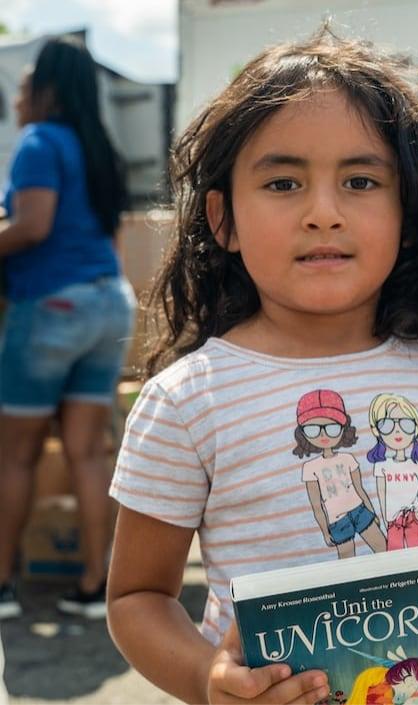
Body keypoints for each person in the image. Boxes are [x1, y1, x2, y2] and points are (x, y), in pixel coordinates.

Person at [106, 26, 418, 705]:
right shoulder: (186, 401)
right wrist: (208, 678)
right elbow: (137, 595)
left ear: (408, 210)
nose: (323, 214)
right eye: (283, 182)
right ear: (222, 219)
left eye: (361, 180)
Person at [0, 37, 134, 620]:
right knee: (86, 452)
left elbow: (31, 226)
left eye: (26, 82)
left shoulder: (38, 143)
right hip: (110, 304)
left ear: (45, 90)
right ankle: (94, 585)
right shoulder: (100, 148)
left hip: (52, 307)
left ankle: (2, 585)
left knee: (15, 457)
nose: (18, 93)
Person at [295, 388, 386, 558]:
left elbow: (360, 489)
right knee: (347, 565)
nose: (323, 434)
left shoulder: (347, 458)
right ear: (302, 433)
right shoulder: (310, 468)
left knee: (383, 548)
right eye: (313, 429)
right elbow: (317, 505)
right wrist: (324, 530)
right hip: (337, 520)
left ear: (343, 428)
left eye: (332, 428)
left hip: (359, 510)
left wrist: (371, 512)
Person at [367, 392, 418, 550]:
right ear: (377, 430)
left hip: (413, 515)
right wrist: (386, 516)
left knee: (417, 553)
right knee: (394, 557)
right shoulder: (382, 465)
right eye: (387, 425)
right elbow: (381, 493)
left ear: (416, 429)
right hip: (393, 518)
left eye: (406, 424)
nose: (397, 431)